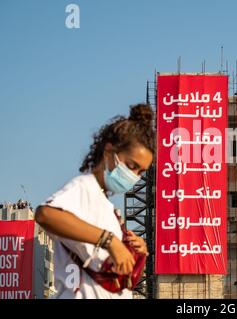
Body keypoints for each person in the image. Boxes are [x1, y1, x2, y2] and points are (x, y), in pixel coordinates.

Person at [35, 104, 155, 299]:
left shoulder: (107, 207)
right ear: (109, 152)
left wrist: (134, 253)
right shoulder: (85, 186)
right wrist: (109, 241)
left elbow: (119, 280)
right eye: (131, 166)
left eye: (140, 172)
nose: (134, 176)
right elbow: (46, 214)